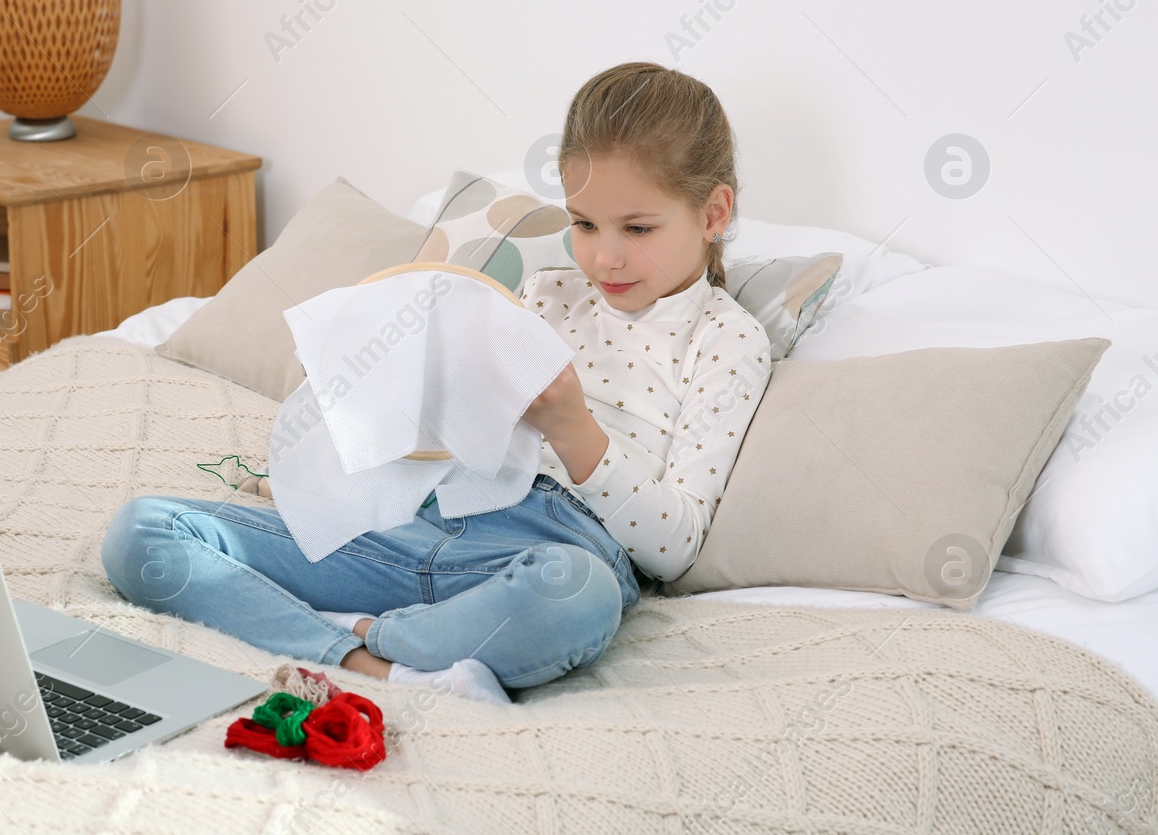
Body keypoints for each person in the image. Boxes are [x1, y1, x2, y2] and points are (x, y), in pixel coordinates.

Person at [101, 61, 773, 703]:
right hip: (417, 527)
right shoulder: (547, 294)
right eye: (584, 223)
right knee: (142, 532)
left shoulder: (726, 340)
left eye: (637, 227)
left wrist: (576, 431)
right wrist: (356, 388)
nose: (604, 255)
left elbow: (675, 546)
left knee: (580, 595)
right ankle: (379, 663)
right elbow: (443, 432)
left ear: (713, 214)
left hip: (550, 555)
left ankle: (359, 635)